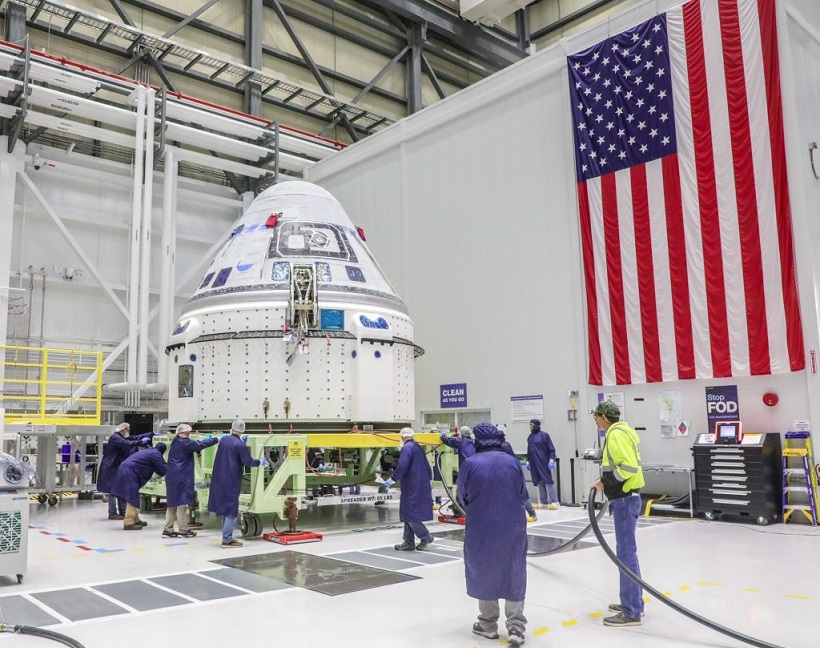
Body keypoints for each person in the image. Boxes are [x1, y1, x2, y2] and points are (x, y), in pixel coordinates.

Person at [457, 423, 528, 646]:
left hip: (482, 526)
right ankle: (516, 627)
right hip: (512, 526)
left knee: (483, 568)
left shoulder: (470, 463)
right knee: (514, 569)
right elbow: (522, 493)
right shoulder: (512, 461)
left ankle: (488, 624)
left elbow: (462, 496)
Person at [589, 400, 645, 627]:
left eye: (596, 417)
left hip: (624, 498)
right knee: (627, 553)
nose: (595, 421)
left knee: (626, 555)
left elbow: (628, 467)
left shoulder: (616, 435)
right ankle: (633, 602)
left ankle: (631, 611)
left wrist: (605, 481)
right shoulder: (624, 431)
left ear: (603, 417)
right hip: (627, 497)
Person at [207, 419, 266, 548]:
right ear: (243, 430)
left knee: (224, 509)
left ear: (232, 428)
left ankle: (226, 536)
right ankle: (227, 540)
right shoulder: (240, 445)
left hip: (219, 478)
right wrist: (259, 462)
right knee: (231, 511)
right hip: (231, 480)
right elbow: (248, 461)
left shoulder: (224, 440)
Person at [163, 423, 218, 538]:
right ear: (181, 433)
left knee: (172, 503)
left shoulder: (176, 441)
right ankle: (183, 530)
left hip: (172, 476)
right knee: (181, 504)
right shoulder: (185, 443)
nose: (189, 435)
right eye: (187, 433)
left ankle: (168, 529)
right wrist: (215, 439)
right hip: (181, 476)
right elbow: (199, 444)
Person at [387, 427, 434, 551]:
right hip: (420, 485)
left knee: (411, 515)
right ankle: (408, 542)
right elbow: (427, 466)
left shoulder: (407, 448)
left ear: (402, 437)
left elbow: (402, 466)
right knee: (408, 513)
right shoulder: (418, 447)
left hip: (411, 486)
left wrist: (392, 478)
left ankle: (425, 536)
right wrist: (427, 480)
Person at [110, 439, 168, 530]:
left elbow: (156, 467)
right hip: (130, 473)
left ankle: (135, 519)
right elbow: (163, 468)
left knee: (133, 496)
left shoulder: (149, 451)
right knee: (132, 497)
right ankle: (128, 522)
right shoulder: (156, 454)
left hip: (125, 470)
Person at [97, 423, 146, 520]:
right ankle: (112, 513)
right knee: (112, 490)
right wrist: (140, 441)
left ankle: (122, 511)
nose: (128, 432)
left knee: (120, 488)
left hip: (116, 466)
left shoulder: (120, 437)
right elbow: (127, 444)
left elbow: (131, 439)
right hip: (110, 467)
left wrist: (149, 434)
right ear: (123, 430)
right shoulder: (115, 438)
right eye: (127, 430)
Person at [497, 425, 537, 522]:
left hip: (511, 473)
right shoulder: (504, 445)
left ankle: (532, 513)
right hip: (510, 472)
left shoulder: (503, 446)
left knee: (521, 494)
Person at [526, 419, 559, 509]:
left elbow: (551, 449)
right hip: (534, 463)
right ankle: (543, 502)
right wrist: (528, 460)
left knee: (548, 481)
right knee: (539, 482)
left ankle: (555, 501)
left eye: (531, 425)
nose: (530, 427)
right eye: (529, 425)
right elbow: (529, 450)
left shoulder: (544, 436)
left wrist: (552, 460)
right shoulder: (530, 437)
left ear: (536, 425)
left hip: (543, 462)